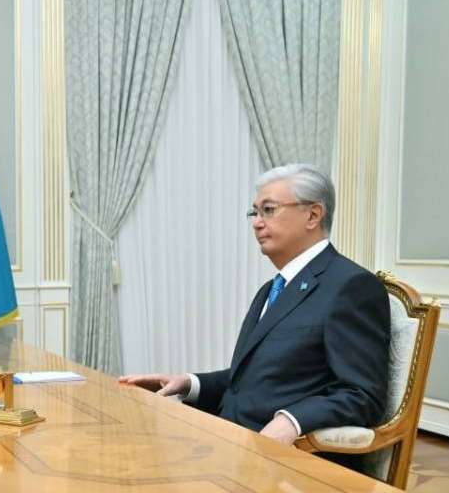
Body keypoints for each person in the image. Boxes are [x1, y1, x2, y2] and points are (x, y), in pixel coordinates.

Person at [119, 164, 389, 448]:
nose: (257, 223)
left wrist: (292, 420)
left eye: (269, 210)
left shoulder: (351, 286)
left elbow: (363, 394)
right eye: (255, 212)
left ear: (313, 215)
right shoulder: (273, 288)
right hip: (231, 442)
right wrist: (189, 383)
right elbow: (253, 381)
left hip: (287, 460)